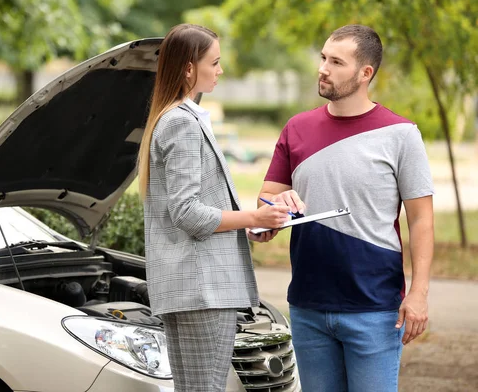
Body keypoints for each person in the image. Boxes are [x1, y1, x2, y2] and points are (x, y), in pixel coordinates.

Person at [258, 24, 434, 392]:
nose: (323, 68)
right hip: (307, 306)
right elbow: (262, 216)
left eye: (336, 62)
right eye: (323, 58)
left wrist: (418, 293)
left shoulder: (401, 135)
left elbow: (420, 220)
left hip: (375, 309)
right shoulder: (296, 128)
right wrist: (275, 208)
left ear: (365, 73)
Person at [137, 23, 291, 392]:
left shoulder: (173, 117)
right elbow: (187, 212)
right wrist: (254, 215)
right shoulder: (181, 123)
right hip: (201, 289)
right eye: (215, 62)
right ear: (189, 68)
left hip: (190, 289)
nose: (221, 70)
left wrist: (251, 225)